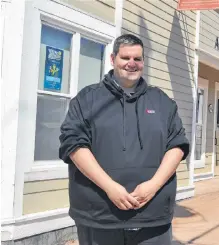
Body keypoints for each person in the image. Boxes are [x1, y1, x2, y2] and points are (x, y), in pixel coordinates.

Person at [59, 34, 189, 245]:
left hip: (153, 218)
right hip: (99, 216)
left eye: (137, 59)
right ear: (112, 59)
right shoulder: (87, 99)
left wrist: (153, 186)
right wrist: (110, 187)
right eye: (125, 57)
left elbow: (177, 146)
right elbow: (73, 145)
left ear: (143, 62)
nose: (132, 64)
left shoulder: (162, 102)